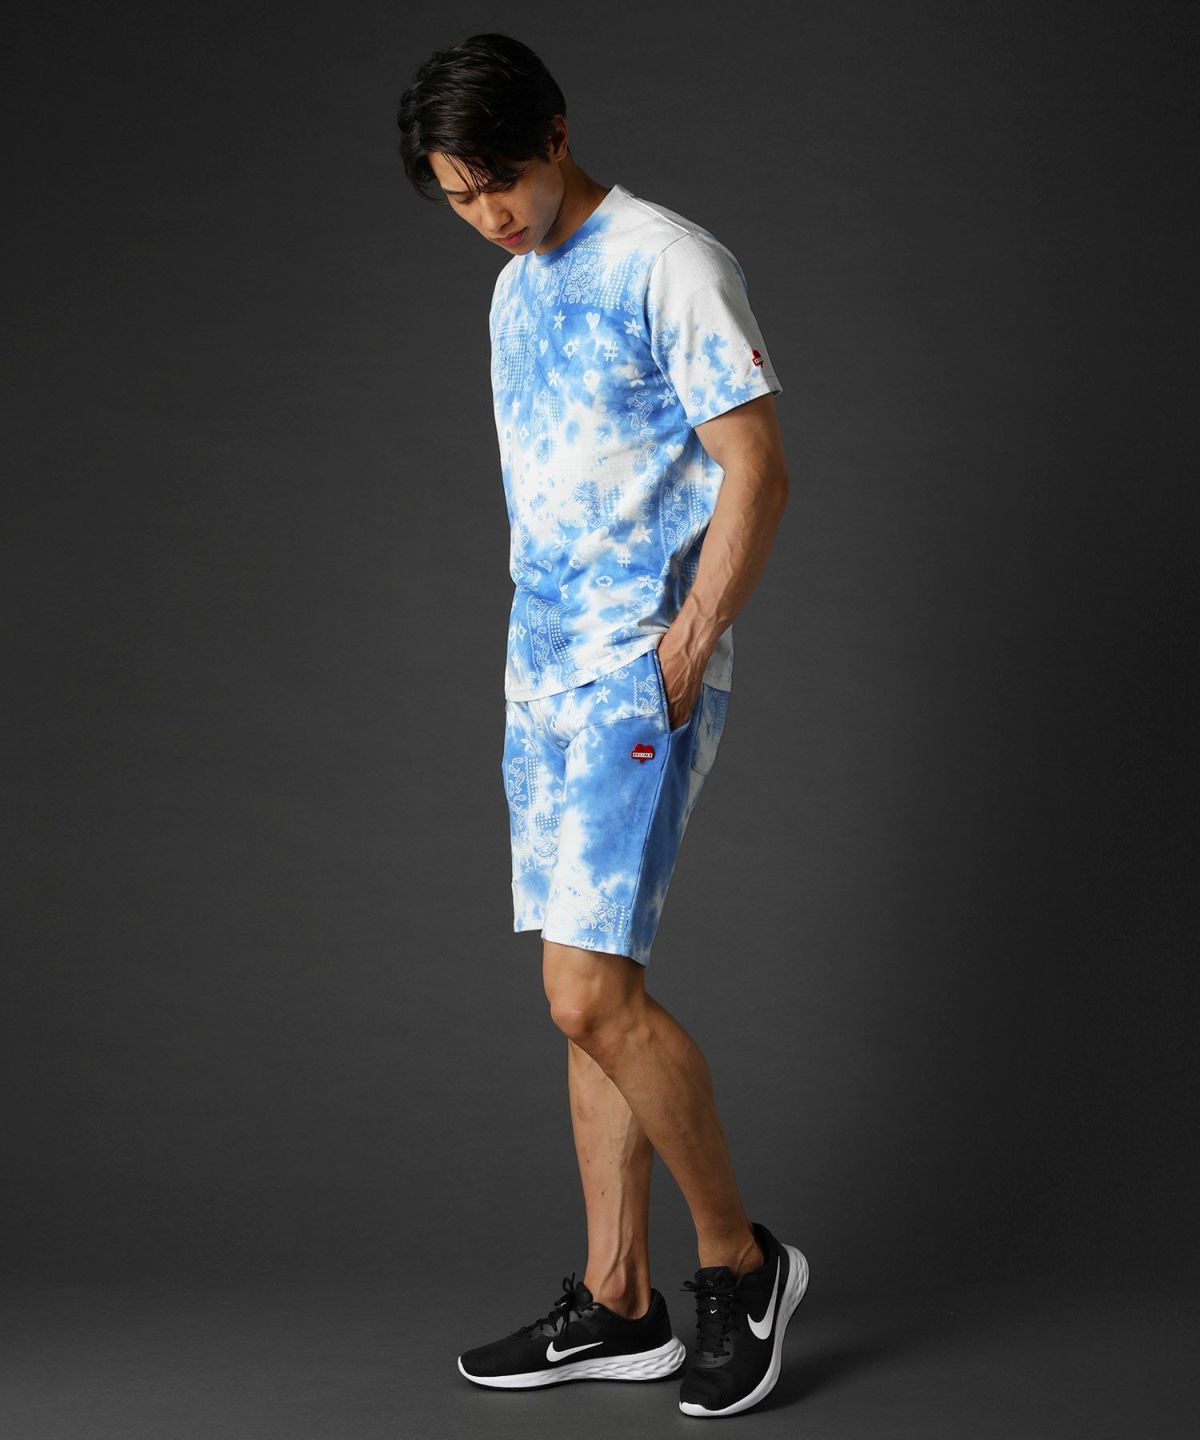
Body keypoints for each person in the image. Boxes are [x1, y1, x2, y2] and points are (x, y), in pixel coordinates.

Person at [397, 33, 809, 1418]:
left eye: (500, 182)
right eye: (459, 197)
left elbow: (757, 466)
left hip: (638, 675)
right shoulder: (514, 291)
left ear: (558, 135)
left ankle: (742, 1264)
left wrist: (684, 645)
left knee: (582, 993)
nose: (488, 215)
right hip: (541, 679)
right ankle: (620, 1300)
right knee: (596, 1004)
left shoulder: (666, 261)